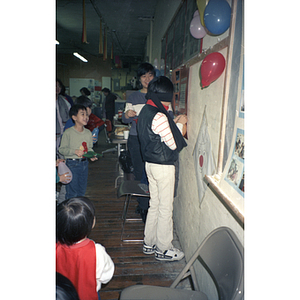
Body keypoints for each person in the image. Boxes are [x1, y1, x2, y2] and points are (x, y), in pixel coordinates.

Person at [137, 76, 188, 262]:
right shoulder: (159, 115)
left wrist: (173, 122)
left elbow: (158, 134)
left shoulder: (146, 110)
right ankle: (164, 249)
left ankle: (149, 243)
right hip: (163, 167)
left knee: (155, 205)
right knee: (165, 208)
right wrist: (181, 123)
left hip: (150, 165)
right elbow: (174, 143)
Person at [56, 197, 114, 300]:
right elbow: (106, 276)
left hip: (62, 295)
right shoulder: (97, 251)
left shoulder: (55, 248)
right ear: (91, 224)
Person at [59, 104, 98, 200]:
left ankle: (79, 212)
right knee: (72, 192)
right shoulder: (68, 133)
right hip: (72, 164)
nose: (86, 117)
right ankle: (70, 213)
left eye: (87, 115)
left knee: (81, 191)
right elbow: (62, 149)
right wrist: (74, 151)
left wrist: (92, 155)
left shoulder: (88, 133)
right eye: (82, 114)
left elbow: (89, 148)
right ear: (74, 117)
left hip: (84, 164)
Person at [56, 79, 71, 156]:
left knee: (62, 154)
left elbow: (70, 114)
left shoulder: (63, 100)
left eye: (59, 86)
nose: (57, 88)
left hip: (64, 131)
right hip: (56, 133)